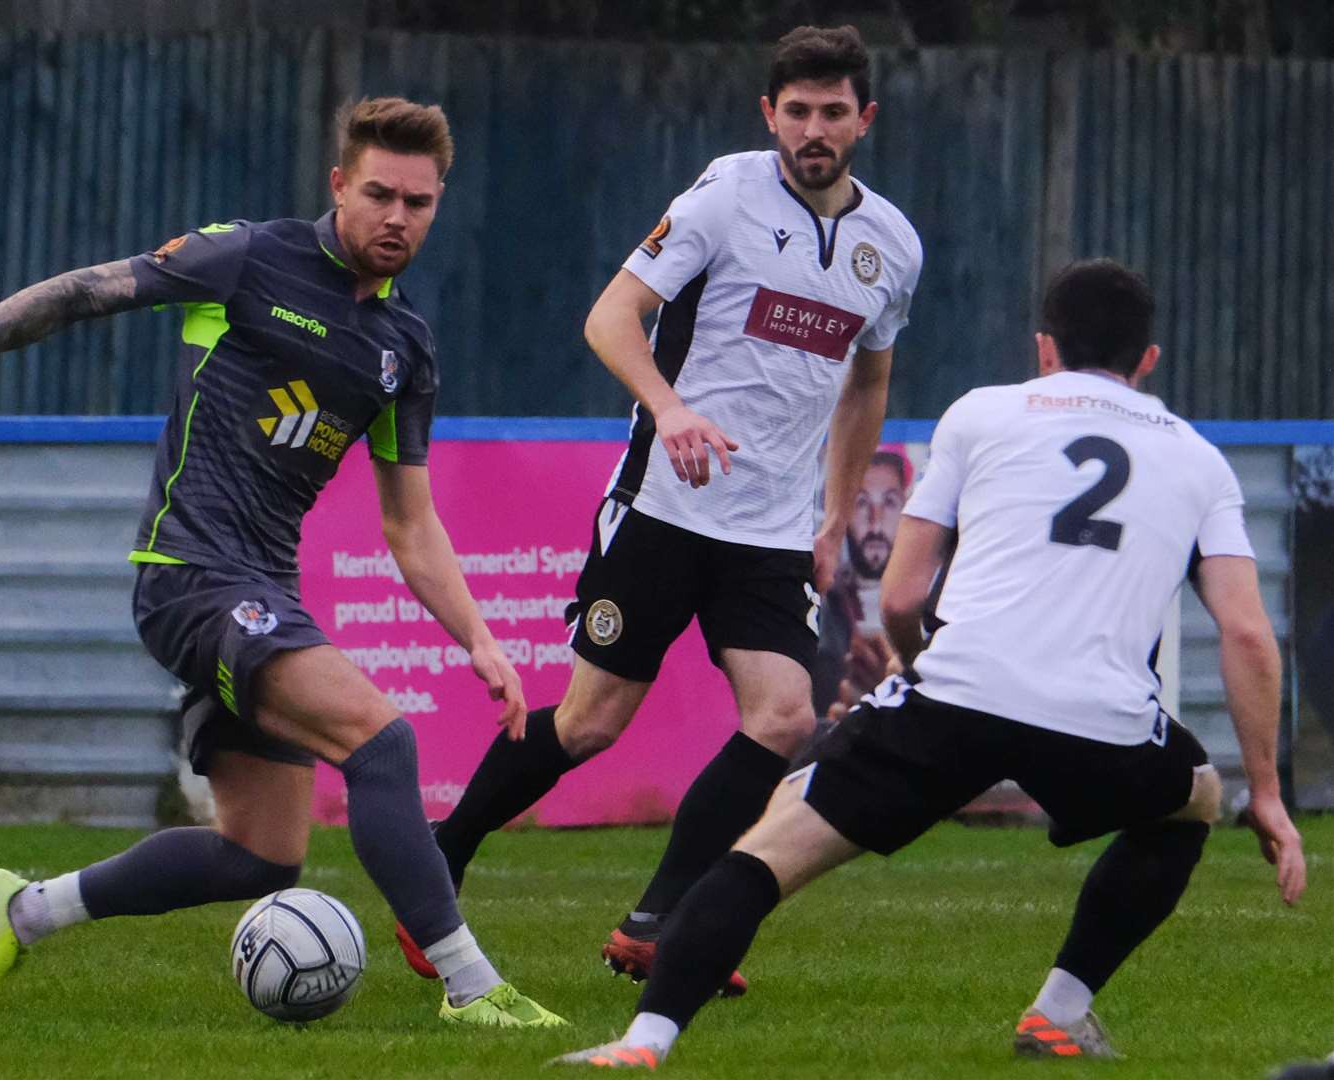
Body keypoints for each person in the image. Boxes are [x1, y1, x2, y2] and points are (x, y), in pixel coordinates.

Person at [0, 96, 562, 1028]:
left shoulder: (402, 348)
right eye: (378, 194)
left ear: (437, 204)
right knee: (383, 741)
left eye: (417, 203)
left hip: (261, 587)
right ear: (338, 185)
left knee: (260, 857)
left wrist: (479, 641)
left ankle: (23, 908)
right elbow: (87, 289)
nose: (396, 217)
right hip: (189, 574)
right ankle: (472, 989)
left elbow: (410, 525)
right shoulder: (248, 256)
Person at [553, 258, 1307, 1068]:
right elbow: (1247, 636)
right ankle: (1059, 1011)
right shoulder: (1197, 459)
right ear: (1147, 360)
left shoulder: (980, 415)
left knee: (768, 851)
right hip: (1101, 720)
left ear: (1042, 349)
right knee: (1190, 799)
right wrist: (1262, 792)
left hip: (954, 696)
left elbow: (903, 598)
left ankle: (643, 1043)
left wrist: (921, 675)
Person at [397, 24, 922, 996]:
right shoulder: (725, 193)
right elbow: (607, 316)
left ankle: (660, 922)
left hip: (768, 532)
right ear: (769, 114)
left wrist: (834, 516)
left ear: (863, 120)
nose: (813, 128)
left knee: (782, 718)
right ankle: (442, 854)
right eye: (795, 110)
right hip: (663, 507)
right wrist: (670, 408)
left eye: (832, 111)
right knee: (592, 724)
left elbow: (867, 387)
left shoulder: (890, 245)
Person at [811, 447, 908, 718]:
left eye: (889, 502)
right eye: (861, 502)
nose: (875, 520)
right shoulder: (818, 610)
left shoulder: (934, 606)